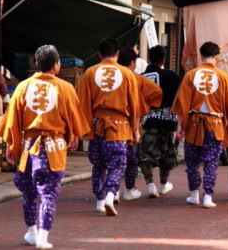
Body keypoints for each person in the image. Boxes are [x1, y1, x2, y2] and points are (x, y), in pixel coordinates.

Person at [0, 45, 90, 249]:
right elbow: (74, 119)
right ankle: (43, 237)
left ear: (37, 64)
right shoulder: (65, 88)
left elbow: (12, 121)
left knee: (29, 193)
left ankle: (31, 232)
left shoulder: (22, 87)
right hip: (53, 148)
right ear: (56, 65)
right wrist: (73, 134)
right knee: (48, 194)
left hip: (28, 148)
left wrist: (11, 146)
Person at [76, 38, 142, 216]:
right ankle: (110, 195)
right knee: (117, 163)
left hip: (96, 125)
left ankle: (99, 201)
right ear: (117, 54)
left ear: (99, 54)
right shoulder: (127, 74)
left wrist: (82, 130)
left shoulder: (90, 72)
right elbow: (135, 106)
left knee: (98, 165)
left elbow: (81, 103)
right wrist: (135, 129)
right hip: (119, 126)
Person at [171, 41, 228, 208]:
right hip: (214, 124)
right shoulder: (223, 77)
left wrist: (180, 127)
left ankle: (194, 194)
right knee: (211, 162)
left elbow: (182, 105)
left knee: (192, 161)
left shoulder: (190, 75)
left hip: (193, 124)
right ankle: (208, 195)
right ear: (216, 57)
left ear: (201, 56)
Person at [117, 47, 162, 201]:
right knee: (131, 160)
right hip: (129, 125)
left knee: (109, 161)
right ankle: (128, 189)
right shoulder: (135, 78)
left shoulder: (103, 76)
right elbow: (156, 92)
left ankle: (110, 191)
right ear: (132, 63)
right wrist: (144, 106)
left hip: (103, 126)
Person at [139, 45, 181, 198]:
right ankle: (163, 184)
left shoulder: (141, 76)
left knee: (146, 153)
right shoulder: (171, 75)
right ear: (163, 59)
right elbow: (181, 96)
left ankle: (150, 185)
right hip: (168, 120)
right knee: (168, 154)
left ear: (149, 58)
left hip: (147, 120)